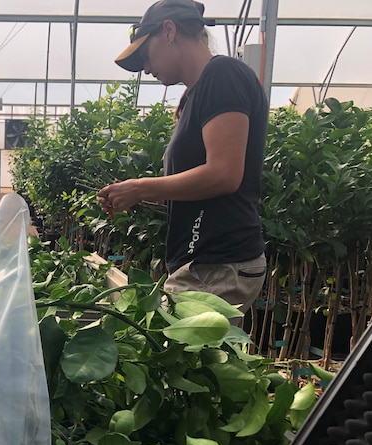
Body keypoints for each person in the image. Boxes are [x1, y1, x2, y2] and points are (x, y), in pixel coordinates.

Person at [97, 0, 268, 326]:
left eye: (145, 55)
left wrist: (141, 186)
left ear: (169, 31)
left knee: (153, 346)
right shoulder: (196, 94)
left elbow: (224, 175)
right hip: (208, 263)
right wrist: (132, 193)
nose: (146, 68)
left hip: (219, 263)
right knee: (202, 368)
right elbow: (196, 185)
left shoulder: (223, 76)